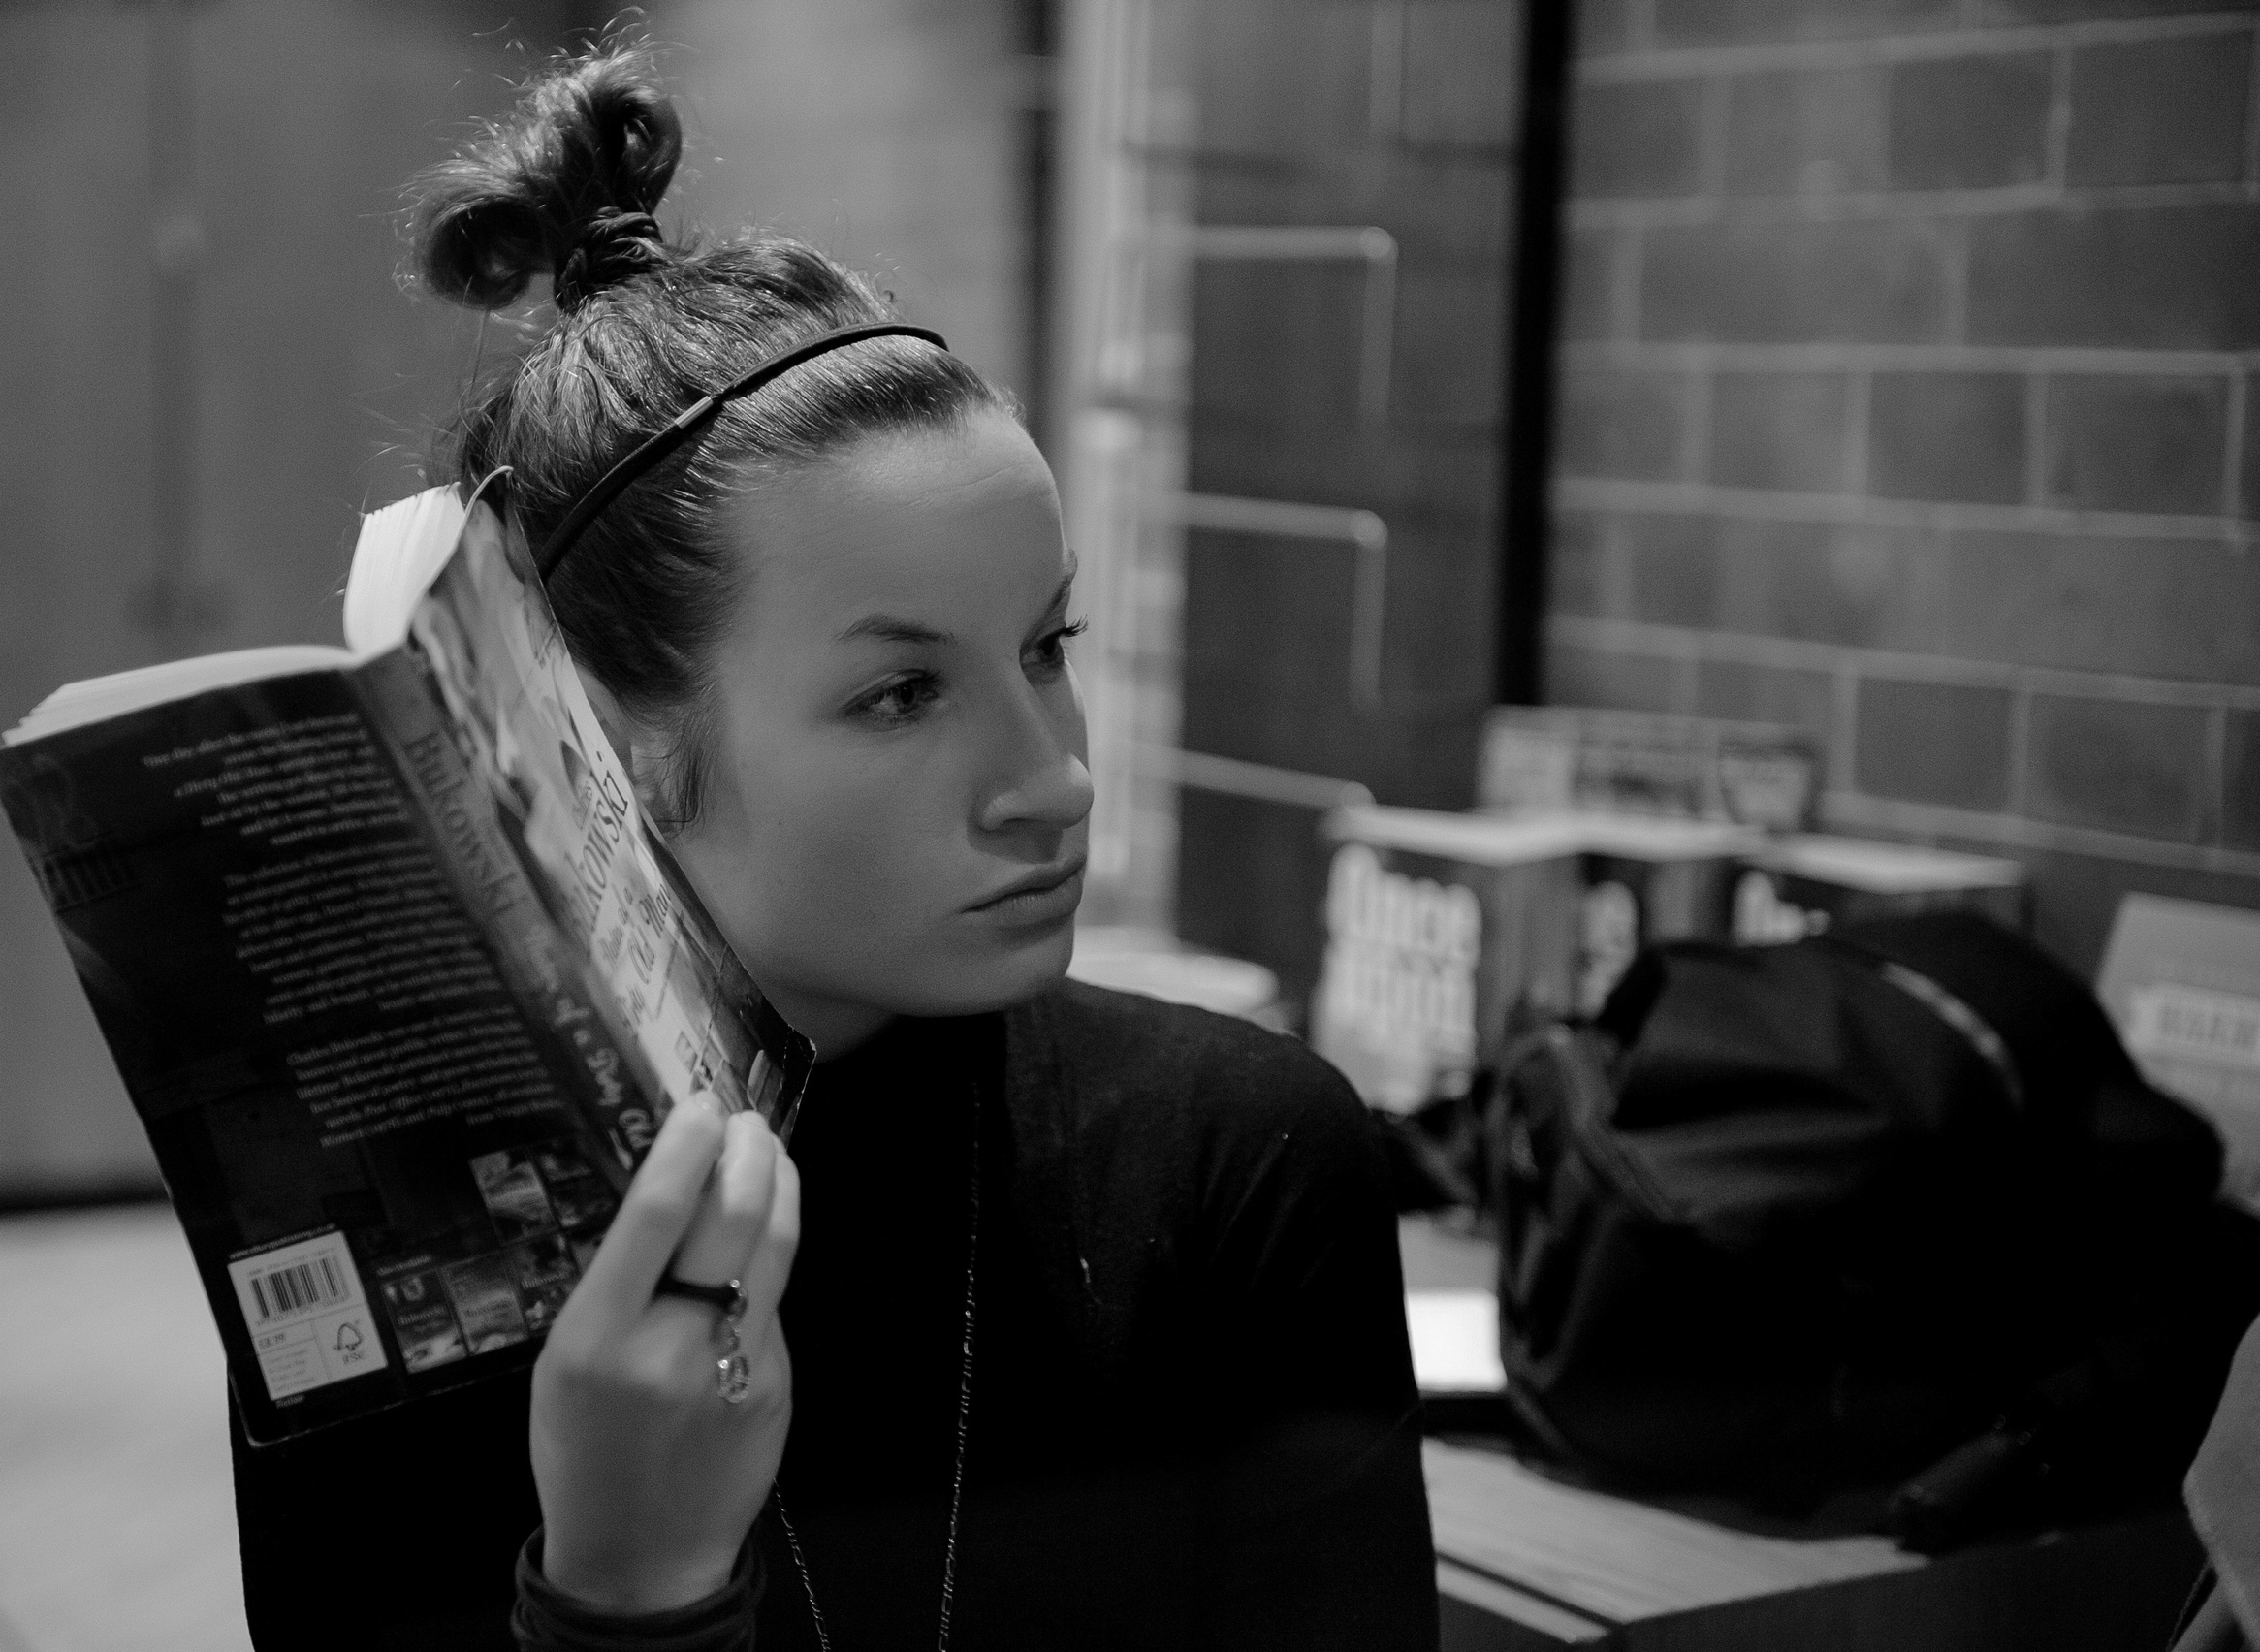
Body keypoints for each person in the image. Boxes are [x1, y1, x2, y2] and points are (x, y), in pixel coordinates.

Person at [230, 41, 1436, 1651]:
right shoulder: (400, 1263)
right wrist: (624, 1590)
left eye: (1049, 646)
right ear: (612, 752)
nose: (1053, 782)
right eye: (900, 693)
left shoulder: (1241, 1163)